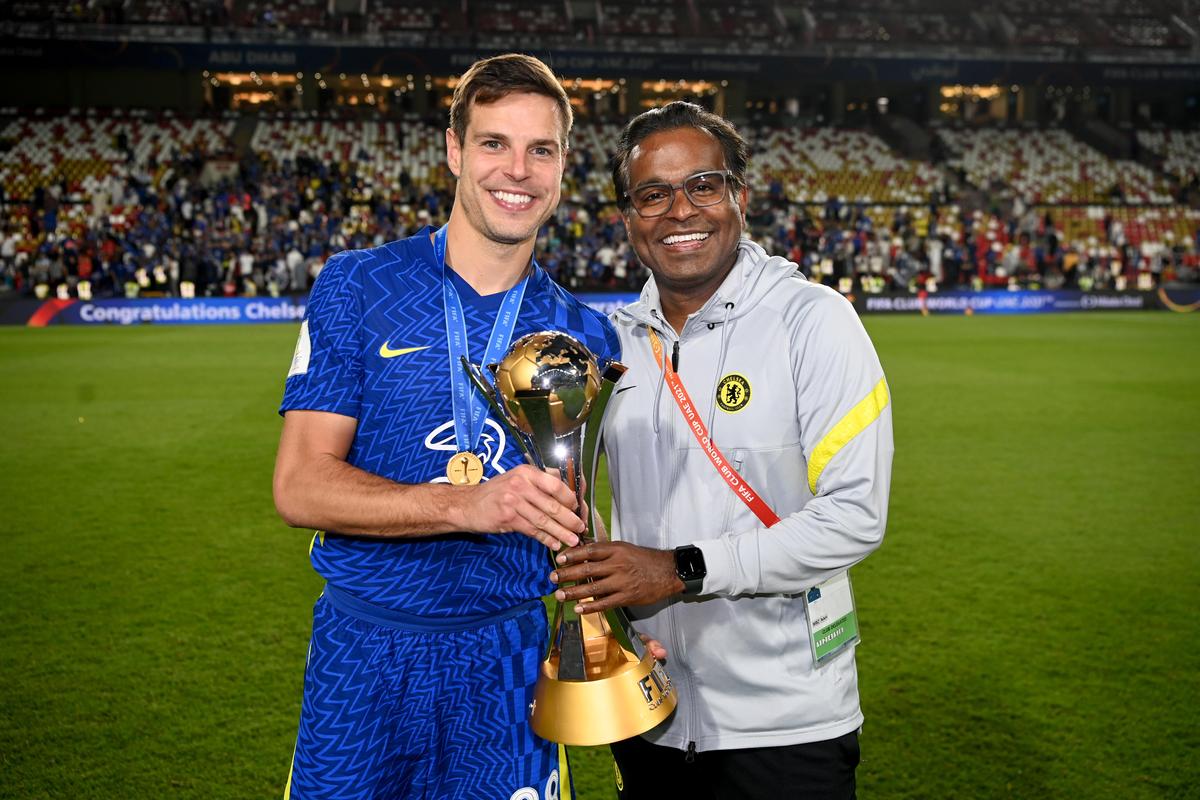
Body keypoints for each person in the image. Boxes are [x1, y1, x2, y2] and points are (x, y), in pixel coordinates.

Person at [272, 53, 620, 800]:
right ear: (456, 150)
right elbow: (300, 486)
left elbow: (583, 521)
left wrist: (612, 618)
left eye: (541, 149)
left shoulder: (586, 337)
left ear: (563, 167)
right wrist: (468, 504)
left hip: (509, 661)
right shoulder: (359, 285)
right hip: (363, 654)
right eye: (494, 143)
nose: (517, 170)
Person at [551, 101, 894, 799]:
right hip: (648, 708)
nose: (680, 211)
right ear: (628, 216)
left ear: (739, 196)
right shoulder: (608, 343)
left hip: (785, 726)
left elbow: (855, 515)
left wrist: (681, 570)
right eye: (653, 194)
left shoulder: (814, 320)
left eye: (702, 186)